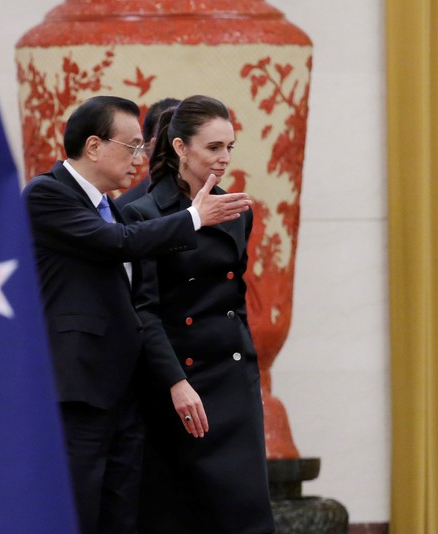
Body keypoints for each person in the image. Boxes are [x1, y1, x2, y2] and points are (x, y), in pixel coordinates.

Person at [22, 95, 252, 534]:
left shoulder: (115, 208)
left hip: (126, 392)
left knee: (122, 515)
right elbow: (119, 243)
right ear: (93, 146)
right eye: (131, 147)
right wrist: (194, 219)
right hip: (79, 388)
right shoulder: (47, 194)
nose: (141, 158)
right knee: (77, 512)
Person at [121, 95, 275, 533]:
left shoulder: (234, 210)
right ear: (180, 148)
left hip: (232, 380)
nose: (224, 158)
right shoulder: (142, 213)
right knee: (181, 513)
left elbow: (234, 300)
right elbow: (144, 311)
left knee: (245, 514)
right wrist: (175, 382)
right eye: (213, 148)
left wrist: (250, 373)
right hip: (179, 385)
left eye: (230, 146)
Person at [114, 97, 181, 209]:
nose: (181, 148)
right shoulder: (127, 206)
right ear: (148, 147)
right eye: (170, 139)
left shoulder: (216, 198)